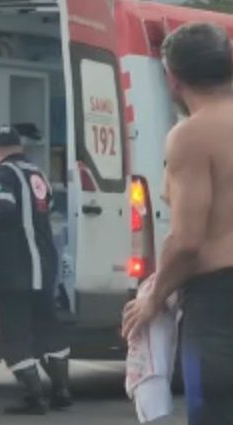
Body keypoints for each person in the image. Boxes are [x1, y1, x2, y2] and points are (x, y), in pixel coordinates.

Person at [122, 23, 233, 425]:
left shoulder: (191, 135)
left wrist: (153, 297)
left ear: (172, 78)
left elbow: (187, 239)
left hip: (220, 302)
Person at [0, 125, 70, 415]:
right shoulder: (37, 174)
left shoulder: (1, 175)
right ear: (20, 146)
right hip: (43, 263)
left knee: (12, 335)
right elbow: (50, 207)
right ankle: (61, 389)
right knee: (47, 327)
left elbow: (1, 208)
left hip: (12, 267)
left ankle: (34, 397)